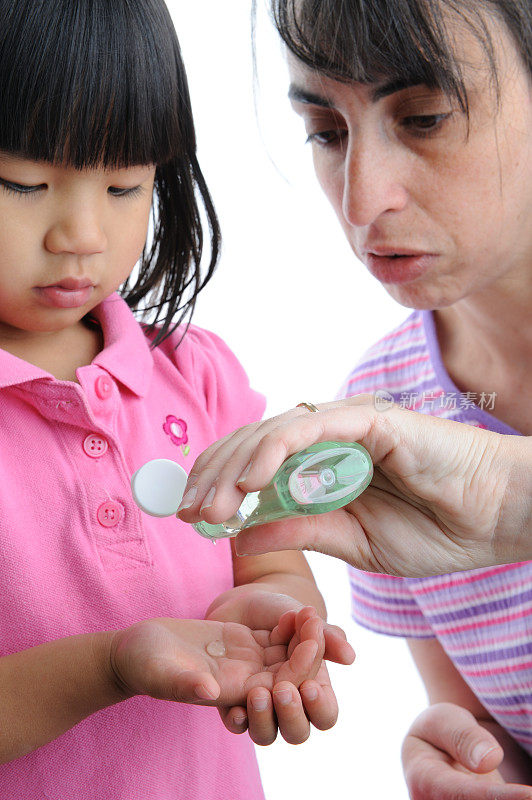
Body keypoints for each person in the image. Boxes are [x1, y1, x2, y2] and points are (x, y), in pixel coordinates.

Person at [0, 1, 356, 797]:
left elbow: (260, 545)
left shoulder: (198, 376)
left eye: (125, 185)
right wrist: (107, 666)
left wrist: (281, 608)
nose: (82, 233)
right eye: (22, 182)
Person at [179, 0, 532, 795]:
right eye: (327, 132)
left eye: (427, 118)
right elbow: (485, 725)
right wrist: (468, 757)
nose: (361, 200)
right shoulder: (380, 415)